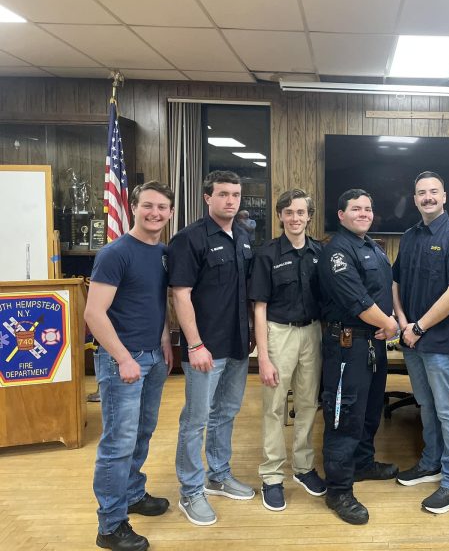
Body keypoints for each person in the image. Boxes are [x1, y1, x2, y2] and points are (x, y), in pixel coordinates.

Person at [85, 181, 175, 551]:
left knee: (142, 433)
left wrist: (167, 341)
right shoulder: (115, 253)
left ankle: (133, 495)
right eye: (148, 206)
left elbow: (157, 302)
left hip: (153, 356)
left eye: (162, 208)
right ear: (133, 207)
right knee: (117, 444)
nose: (155, 213)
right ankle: (110, 525)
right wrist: (122, 358)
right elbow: (94, 313)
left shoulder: (165, 253)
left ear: (170, 213)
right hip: (122, 359)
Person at [168, 170, 256, 526]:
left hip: (237, 344)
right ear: (207, 197)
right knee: (195, 419)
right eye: (223, 194)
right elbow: (180, 294)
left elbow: (246, 291)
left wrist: (250, 330)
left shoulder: (245, 236)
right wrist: (195, 344)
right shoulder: (188, 239)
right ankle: (190, 491)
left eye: (235, 194)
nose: (230, 201)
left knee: (227, 412)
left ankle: (218, 475)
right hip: (205, 348)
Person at [393, 171, 449, 514]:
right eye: (421, 193)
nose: (427, 197)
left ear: (444, 196)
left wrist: (419, 327)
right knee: (425, 405)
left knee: (448, 409)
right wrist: (401, 322)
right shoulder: (410, 236)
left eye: (433, 192)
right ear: (415, 199)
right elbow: (394, 281)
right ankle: (432, 463)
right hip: (412, 338)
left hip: (440, 341)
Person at [319, 188, 400, 525]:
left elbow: (384, 292)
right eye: (356, 209)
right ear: (341, 214)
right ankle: (338, 490)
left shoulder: (372, 248)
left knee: (369, 410)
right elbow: (358, 300)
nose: (364, 213)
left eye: (368, 208)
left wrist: (387, 326)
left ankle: (363, 463)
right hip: (348, 344)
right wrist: (391, 325)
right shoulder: (338, 251)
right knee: (345, 414)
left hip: (372, 342)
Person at [249, 189, 326, 512]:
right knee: (274, 407)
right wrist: (263, 357)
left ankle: (304, 467)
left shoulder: (319, 252)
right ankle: (271, 476)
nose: (295, 218)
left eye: (301, 212)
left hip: (313, 333)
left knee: (308, 403)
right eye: (289, 212)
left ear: (310, 216)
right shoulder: (266, 254)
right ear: (280, 216)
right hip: (279, 334)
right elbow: (259, 307)